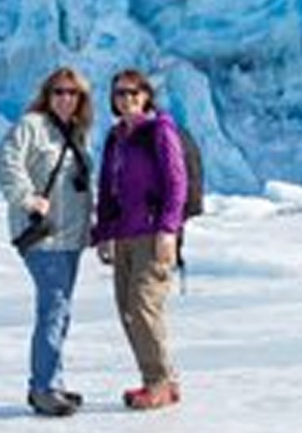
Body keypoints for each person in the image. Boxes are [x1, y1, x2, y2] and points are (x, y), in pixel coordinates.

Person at [0, 66, 94, 417]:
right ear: (46, 95)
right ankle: (42, 388)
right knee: (52, 309)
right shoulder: (31, 126)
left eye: (73, 93)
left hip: (71, 238)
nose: (65, 98)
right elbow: (6, 162)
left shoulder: (76, 133)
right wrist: (27, 197)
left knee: (60, 311)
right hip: (44, 237)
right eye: (58, 91)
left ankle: (54, 381)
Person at [92, 68, 187, 410]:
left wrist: (168, 230)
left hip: (152, 233)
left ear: (146, 95)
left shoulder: (159, 131)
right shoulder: (116, 137)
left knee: (144, 306)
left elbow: (177, 183)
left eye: (134, 92)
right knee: (127, 310)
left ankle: (158, 382)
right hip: (124, 234)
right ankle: (162, 380)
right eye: (120, 93)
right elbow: (106, 189)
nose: (127, 98)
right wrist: (104, 232)